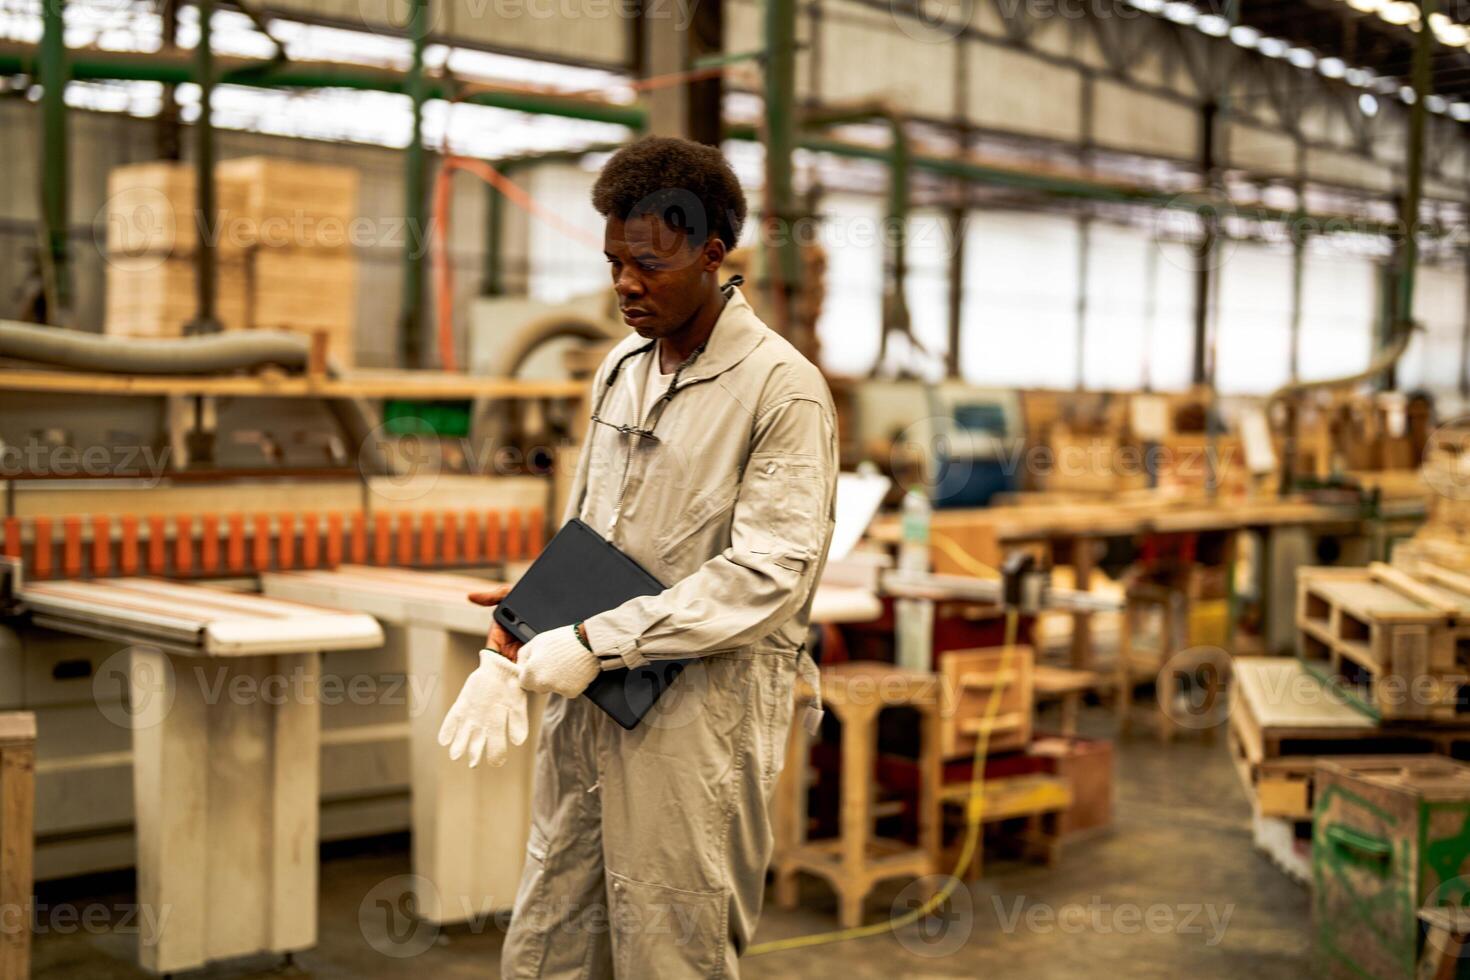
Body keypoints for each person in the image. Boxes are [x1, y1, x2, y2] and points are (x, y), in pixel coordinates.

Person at [437, 135, 838, 978]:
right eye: (615, 260)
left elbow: (769, 572)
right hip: (590, 699)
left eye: (648, 263)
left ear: (712, 254)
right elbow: (597, 526)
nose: (624, 283)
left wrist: (592, 642)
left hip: (700, 716)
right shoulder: (621, 366)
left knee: (670, 947)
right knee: (551, 930)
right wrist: (519, 632)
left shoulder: (781, 390)